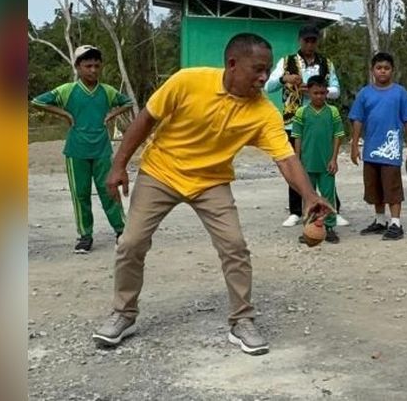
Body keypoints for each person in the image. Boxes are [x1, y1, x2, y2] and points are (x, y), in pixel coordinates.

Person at [91, 33, 331, 356]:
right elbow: (146, 119)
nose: (264, 77)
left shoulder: (263, 112)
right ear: (232, 64)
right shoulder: (187, 82)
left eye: (266, 71)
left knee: (234, 245)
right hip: (161, 172)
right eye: (258, 70)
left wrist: (309, 195)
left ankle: (242, 320)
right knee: (131, 242)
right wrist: (118, 165)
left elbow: (286, 158)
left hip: (211, 181)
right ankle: (124, 314)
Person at [31, 45, 133, 254]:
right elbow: (37, 101)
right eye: (88, 66)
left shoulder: (107, 91)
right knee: (81, 194)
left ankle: (121, 230)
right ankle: (85, 235)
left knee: (109, 190)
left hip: (102, 149)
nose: (93, 70)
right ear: (78, 67)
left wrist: (110, 115)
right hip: (76, 151)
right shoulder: (67, 90)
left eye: (97, 65)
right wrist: (65, 115)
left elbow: (128, 102)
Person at [265, 25, 344, 228]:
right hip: (294, 122)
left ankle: (333, 208)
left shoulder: (326, 63)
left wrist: (317, 91)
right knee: (295, 165)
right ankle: (296, 210)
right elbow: (268, 86)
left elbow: (336, 89)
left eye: (313, 41)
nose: (310, 44)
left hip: (321, 123)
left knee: (326, 164)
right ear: (300, 41)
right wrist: (285, 79)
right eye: (306, 40)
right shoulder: (287, 61)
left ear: (317, 41)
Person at [349, 52, 407, 240]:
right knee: (374, 187)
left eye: (386, 68)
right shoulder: (364, 93)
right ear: (372, 71)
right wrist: (355, 145)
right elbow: (357, 119)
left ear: (392, 71)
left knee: (392, 187)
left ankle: (396, 223)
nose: (382, 72)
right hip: (371, 149)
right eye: (379, 68)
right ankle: (380, 221)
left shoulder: (400, 92)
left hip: (392, 149)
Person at [292, 76, 345, 243]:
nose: (319, 96)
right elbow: (297, 136)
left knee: (328, 196)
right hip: (307, 163)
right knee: (308, 196)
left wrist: (334, 159)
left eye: (323, 93)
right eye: (316, 93)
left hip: (326, 163)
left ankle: (329, 227)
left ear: (327, 93)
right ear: (309, 92)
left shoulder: (333, 112)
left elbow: (337, 136)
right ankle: (309, 228)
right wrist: (297, 160)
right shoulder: (301, 112)